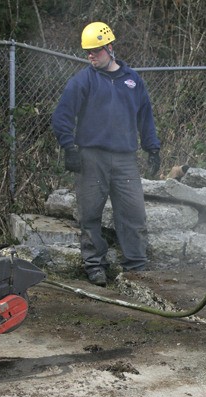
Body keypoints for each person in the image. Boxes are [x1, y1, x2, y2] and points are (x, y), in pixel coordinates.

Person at [52, 22, 161, 286]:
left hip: (125, 159)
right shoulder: (83, 81)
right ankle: (94, 266)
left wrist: (152, 148)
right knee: (90, 215)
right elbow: (61, 116)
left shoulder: (133, 81)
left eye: (96, 51)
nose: (91, 56)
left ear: (110, 48)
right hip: (92, 158)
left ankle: (136, 267)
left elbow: (145, 117)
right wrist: (69, 148)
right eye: (88, 52)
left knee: (133, 214)